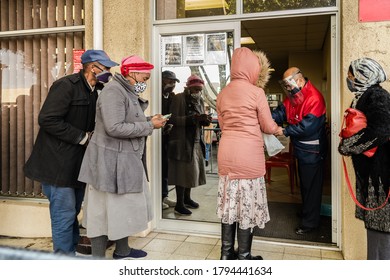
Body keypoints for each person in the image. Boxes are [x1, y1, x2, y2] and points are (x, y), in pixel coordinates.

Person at [23, 50, 118, 255]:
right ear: (93, 67)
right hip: (57, 165)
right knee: (64, 216)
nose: (109, 71)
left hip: (77, 165)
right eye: (106, 67)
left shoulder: (96, 90)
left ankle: (70, 254)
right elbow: (47, 119)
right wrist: (83, 137)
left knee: (73, 213)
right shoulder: (66, 86)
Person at [77, 55, 166, 259]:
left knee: (121, 210)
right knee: (101, 212)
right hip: (108, 164)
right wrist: (149, 125)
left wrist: (148, 119)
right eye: (144, 78)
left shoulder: (125, 91)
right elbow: (114, 127)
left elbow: (126, 119)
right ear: (132, 73)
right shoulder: (113, 92)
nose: (145, 83)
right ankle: (98, 258)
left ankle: (122, 250)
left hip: (122, 161)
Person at [216, 47, 283, 260]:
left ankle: (226, 254)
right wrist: (278, 129)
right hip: (248, 158)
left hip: (227, 155)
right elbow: (267, 125)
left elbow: (222, 124)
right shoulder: (257, 93)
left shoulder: (223, 93)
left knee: (229, 205)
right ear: (253, 69)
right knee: (247, 206)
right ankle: (244, 256)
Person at [338, 58, 390, 260]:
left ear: (363, 75)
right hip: (374, 178)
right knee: (376, 231)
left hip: (380, 179)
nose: (349, 79)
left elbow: (382, 130)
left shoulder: (377, 96)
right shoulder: (365, 95)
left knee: (381, 235)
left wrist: (349, 146)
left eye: (351, 75)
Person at [272, 66, 327, 235]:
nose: (287, 89)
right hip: (301, 149)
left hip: (312, 151)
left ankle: (310, 223)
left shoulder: (315, 98)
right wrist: (267, 118)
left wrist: (284, 131)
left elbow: (307, 127)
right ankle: (306, 213)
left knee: (311, 187)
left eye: (289, 85)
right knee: (304, 185)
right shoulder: (294, 96)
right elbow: (282, 112)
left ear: (300, 81)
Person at [168, 74, 212, 215]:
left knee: (191, 173)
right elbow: (173, 119)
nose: (197, 92)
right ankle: (179, 204)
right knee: (182, 173)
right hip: (182, 142)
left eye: (199, 89)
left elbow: (198, 119)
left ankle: (187, 198)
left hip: (195, 141)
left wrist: (204, 120)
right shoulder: (179, 98)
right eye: (195, 89)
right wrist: (193, 119)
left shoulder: (199, 100)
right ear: (189, 87)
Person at [161, 70, 179, 210]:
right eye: (169, 81)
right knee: (159, 167)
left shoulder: (171, 98)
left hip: (168, 138)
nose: (172, 85)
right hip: (157, 137)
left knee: (166, 167)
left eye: (174, 82)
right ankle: (159, 197)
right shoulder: (156, 96)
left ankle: (164, 195)